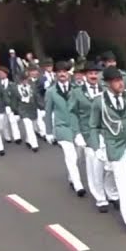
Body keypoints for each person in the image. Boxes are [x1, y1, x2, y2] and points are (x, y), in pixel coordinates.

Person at [92, 67, 126, 236]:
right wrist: (96, 146)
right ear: (108, 83)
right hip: (114, 145)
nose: (120, 83)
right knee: (122, 184)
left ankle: (121, 198)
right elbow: (94, 126)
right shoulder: (98, 102)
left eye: (121, 79)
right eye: (116, 81)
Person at [43, 62, 86, 198]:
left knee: (78, 155)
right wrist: (48, 132)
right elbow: (48, 112)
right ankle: (78, 185)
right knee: (70, 155)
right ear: (56, 74)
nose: (62, 74)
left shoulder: (76, 89)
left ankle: (71, 176)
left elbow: (82, 110)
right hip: (62, 127)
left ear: (69, 74)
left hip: (77, 127)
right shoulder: (51, 91)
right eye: (59, 72)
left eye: (64, 72)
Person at [71, 64, 110, 210]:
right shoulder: (77, 92)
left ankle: (111, 193)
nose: (93, 76)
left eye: (96, 73)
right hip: (88, 133)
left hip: (106, 132)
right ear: (85, 76)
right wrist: (77, 133)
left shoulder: (105, 90)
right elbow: (72, 113)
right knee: (94, 166)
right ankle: (100, 198)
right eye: (90, 73)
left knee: (109, 166)